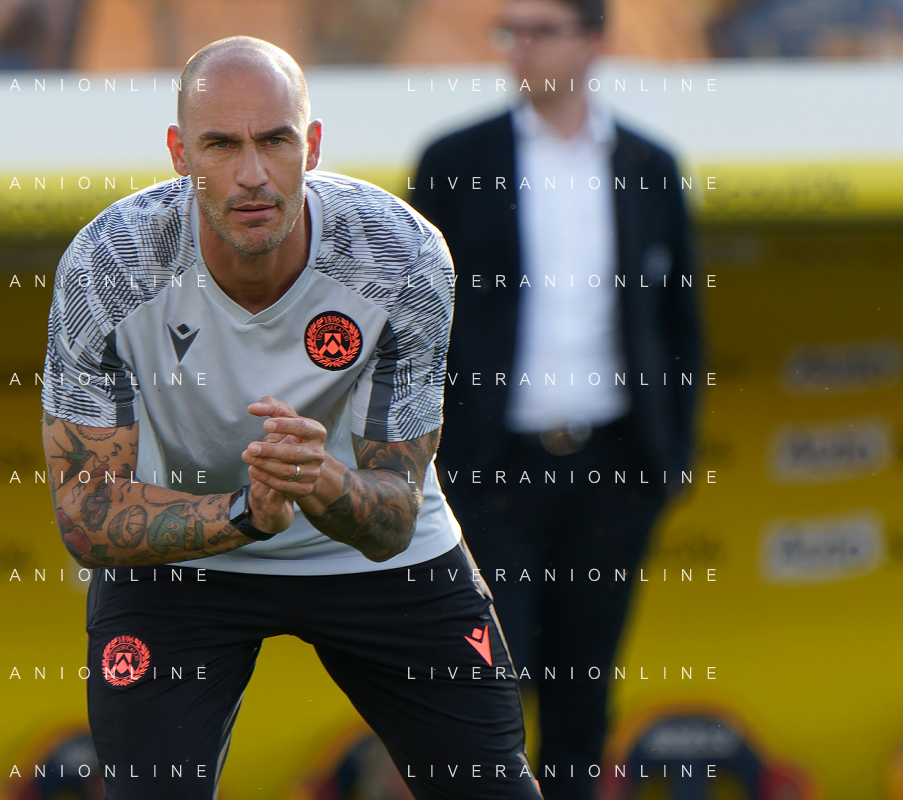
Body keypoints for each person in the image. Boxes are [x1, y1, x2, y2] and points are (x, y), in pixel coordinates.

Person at [40, 36, 544, 800]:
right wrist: (247, 511)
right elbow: (86, 516)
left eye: (274, 141)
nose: (252, 174)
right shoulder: (109, 264)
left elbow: (392, 518)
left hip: (367, 554)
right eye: (220, 145)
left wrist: (320, 482)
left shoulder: (400, 254)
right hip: (183, 551)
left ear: (310, 146)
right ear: (179, 154)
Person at [409, 0, 701, 796]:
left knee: (583, 695)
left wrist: (665, 462)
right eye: (511, 31)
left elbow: (678, 322)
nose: (522, 47)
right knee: (486, 686)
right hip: (492, 470)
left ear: (594, 40)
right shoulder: (455, 159)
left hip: (612, 466)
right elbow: (414, 318)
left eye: (543, 30)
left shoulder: (646, 164)